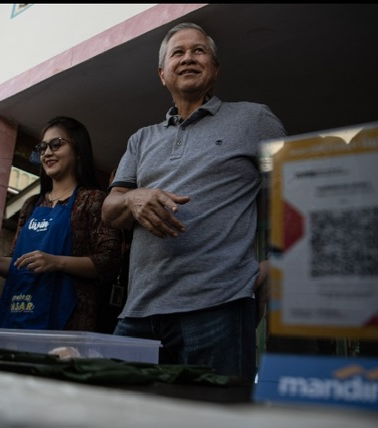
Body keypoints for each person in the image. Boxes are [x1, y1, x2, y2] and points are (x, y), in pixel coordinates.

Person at [101, 22, 286, 382]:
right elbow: (111, 210)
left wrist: (277, 263)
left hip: (219, 306)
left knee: (216, 417)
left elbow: (295, 189)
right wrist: (135, 197)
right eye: (178, 52)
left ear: (215, 67)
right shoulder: (141, 139)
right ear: (162, 73)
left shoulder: (253, 119)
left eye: (199, 51)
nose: (188, 58)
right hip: (138, 312)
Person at [0, 116, 122, 331]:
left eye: (56, 144)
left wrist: (56, 262)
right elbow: (18, 264)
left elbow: (109, 262)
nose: (47, 153)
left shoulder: (92, 200)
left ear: (78, 151)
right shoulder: (31, 205)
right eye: (43, 147)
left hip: (67, 322)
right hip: (18, 314)